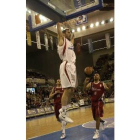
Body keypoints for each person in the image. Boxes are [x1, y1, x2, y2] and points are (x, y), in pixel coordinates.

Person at [57, 22, 77, 123]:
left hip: (72, 67)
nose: (69, 33)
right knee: (67, 89)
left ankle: (64, 109)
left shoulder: (70, 43)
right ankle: (63, 114)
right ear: (64, 34)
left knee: (71, 89)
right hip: (66, 65)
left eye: (70, 32)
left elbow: (73, 39)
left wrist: (73, 28)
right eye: (68, 32)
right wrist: (58, 23)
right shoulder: (62, 40)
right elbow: (59, 33)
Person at [84, 72, 109, 139]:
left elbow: (107, 89)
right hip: (93, 102)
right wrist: (85, 83)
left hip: (99, 102)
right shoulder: (91, 84)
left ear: (99, 77)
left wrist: (108, 87)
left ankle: (97, 132)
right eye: (95, 75)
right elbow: (85, 89)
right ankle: (103, 122)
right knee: (95, 118)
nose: (95, 76)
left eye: (97, 75)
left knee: (97, 117)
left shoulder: (102, 84)